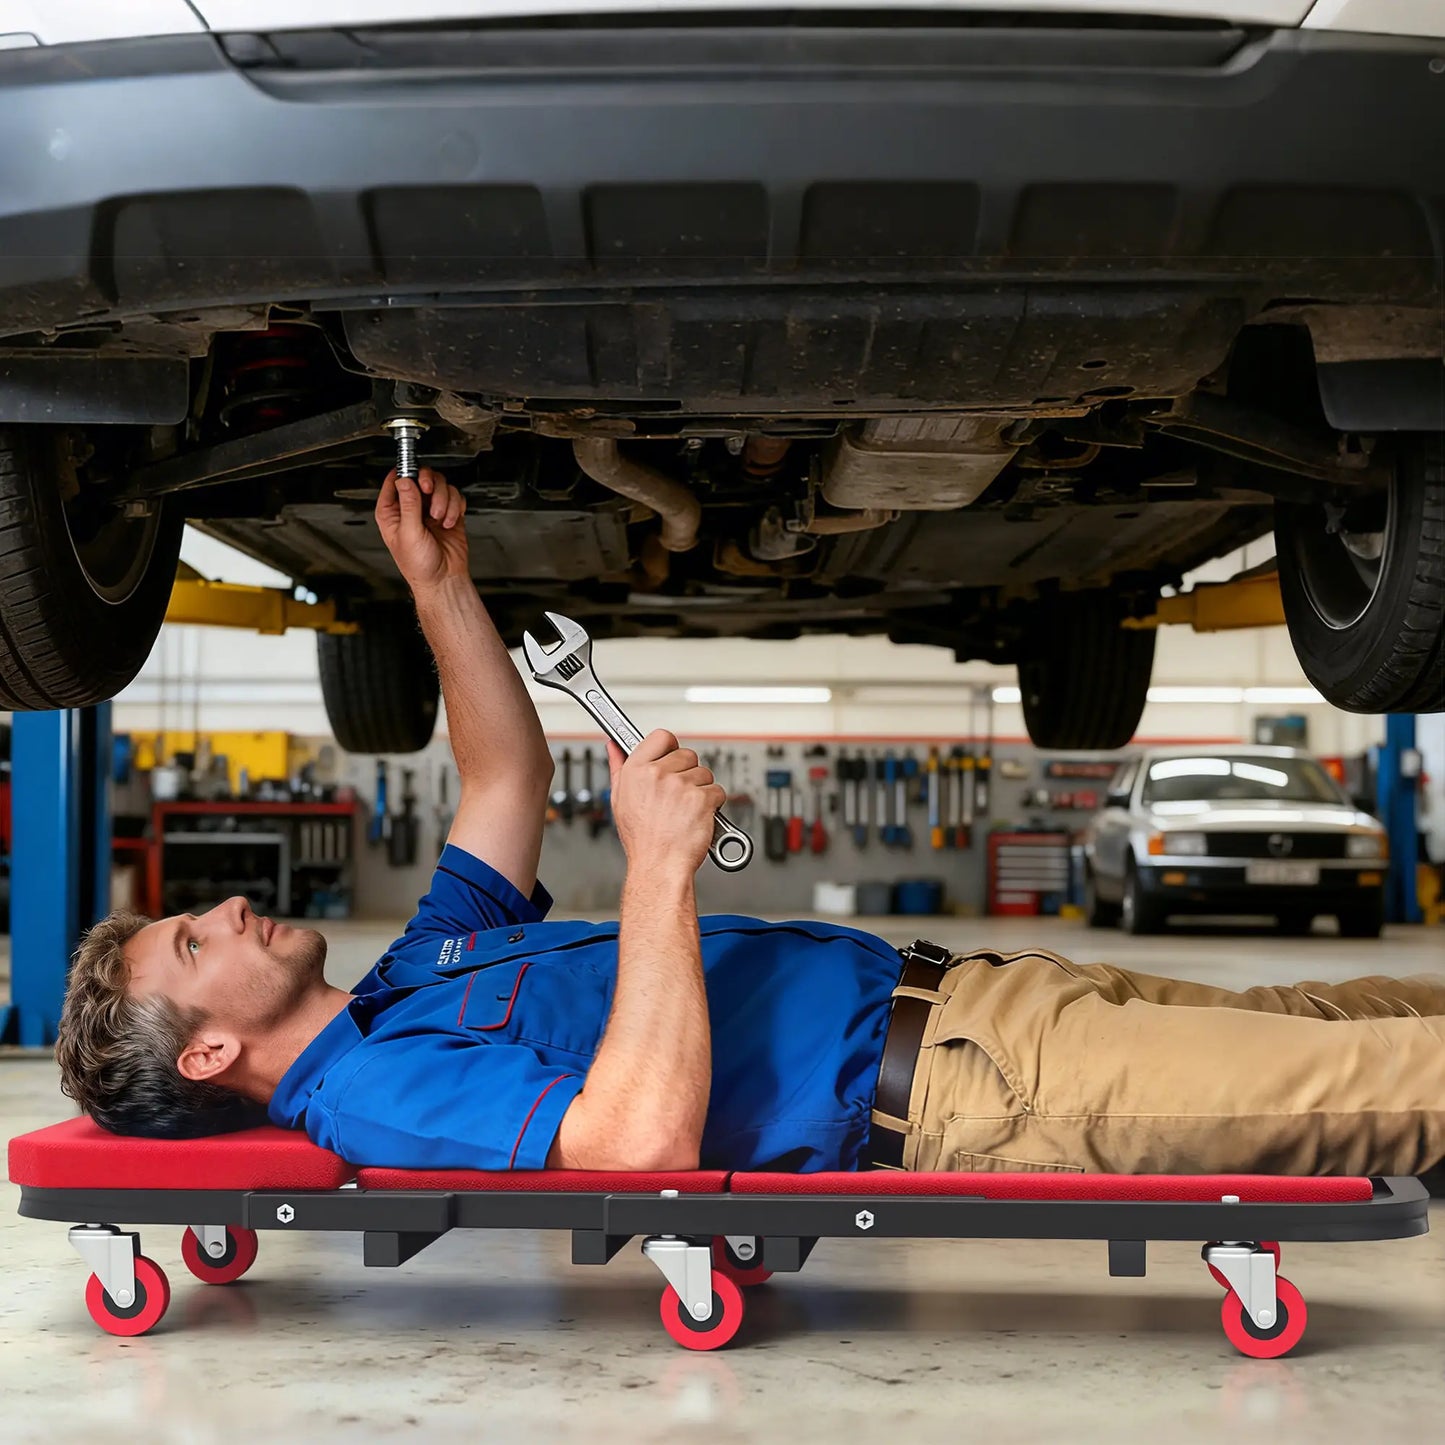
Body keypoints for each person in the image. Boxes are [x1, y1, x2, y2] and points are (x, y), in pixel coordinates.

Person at [55, 469, 1445, 1179]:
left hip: (981, 1001)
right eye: (194, 936)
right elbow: (631, 1141)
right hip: (969, 1092)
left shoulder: (408, 984)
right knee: (1379, 1086)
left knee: (1352, 1011)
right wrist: (657, 864)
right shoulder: (369, 1095)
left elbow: (499, 784)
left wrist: (436, 586)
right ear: (217, 1044)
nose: (226, 908)